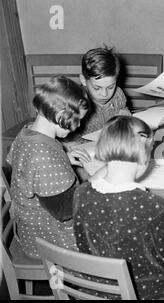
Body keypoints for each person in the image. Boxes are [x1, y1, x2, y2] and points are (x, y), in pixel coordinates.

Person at [72, 115, 164, 300]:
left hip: (100, 287)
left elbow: (83, 245)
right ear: (145, 155)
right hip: (152, 292)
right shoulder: (155, 207)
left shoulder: (81, 193)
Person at [6, 75, 91, 259]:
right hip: (47, 239)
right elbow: (64, 211)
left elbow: (25, 168)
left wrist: (63, 158)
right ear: (61, 116)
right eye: (78, 120)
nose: (78, 127)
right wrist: (95, 183)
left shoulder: (28, 133)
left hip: (31, 229)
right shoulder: (43, 156)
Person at [76, 46, 131, 138]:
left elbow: (124, 111)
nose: (104, 94)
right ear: (83, 80)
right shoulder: (76, 101)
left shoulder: (118, 94)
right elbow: (68, 136)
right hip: (84, 147)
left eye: (110, 87)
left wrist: (126, 118)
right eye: (97, 88)